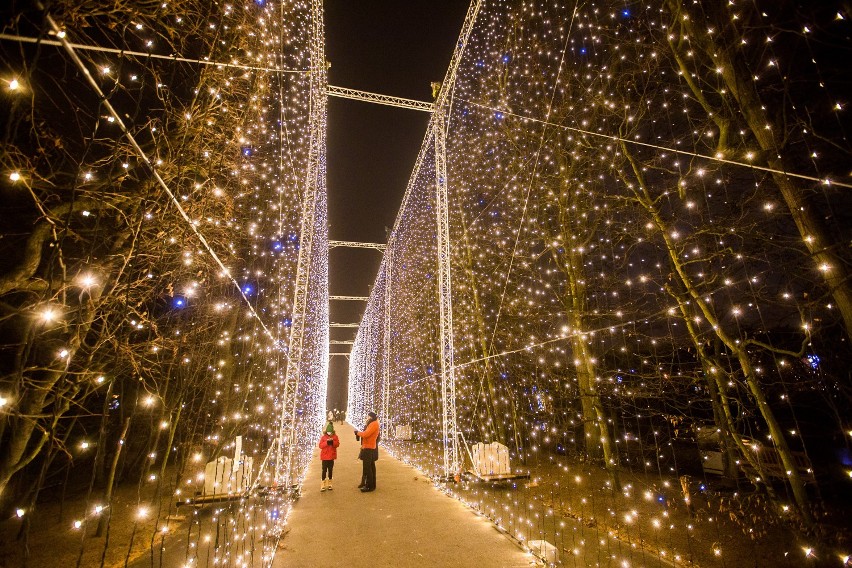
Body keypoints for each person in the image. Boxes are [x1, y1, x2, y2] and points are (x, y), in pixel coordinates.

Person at [354, 412, 380, 492]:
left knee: (367, 467)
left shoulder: (373, 424)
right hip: (369, 446)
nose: (367, 418)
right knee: (370, 467)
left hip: (369, 447)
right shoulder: (373, 423)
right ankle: (371, 484)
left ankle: (369, 486)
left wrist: (357, 433)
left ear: (371, 417)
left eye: (368, 416)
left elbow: (366, 434)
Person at [318, 421, 340, 492]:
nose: (329, 433)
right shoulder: (323, 437)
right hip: (324, 457)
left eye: (330, 432)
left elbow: (337, 444)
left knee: (330, 470)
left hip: (331, 457)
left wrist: (333, 442)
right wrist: (326, 442)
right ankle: (323, 484)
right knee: (324, 470)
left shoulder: (335, 437)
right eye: (328, 432)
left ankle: (330, 483)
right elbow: (320, 446)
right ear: (326, 432)